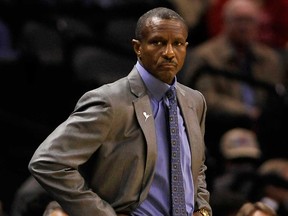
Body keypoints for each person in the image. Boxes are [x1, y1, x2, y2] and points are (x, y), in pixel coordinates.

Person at [28, 7, 212, 216]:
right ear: (138, 47)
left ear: (186, 47)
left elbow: (196, 167)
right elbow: (47, 163)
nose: (169, 52)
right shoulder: (110, 101)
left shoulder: (195, 101)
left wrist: (203, 208)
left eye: (177, 43)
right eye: (157, 42)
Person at [180, 0, 285, 161]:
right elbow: (203, 98)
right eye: (238, 20)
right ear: (224, 23)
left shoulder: (270, 59)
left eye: (249, 21)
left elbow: (278, 95)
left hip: (265, 129)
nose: (244, 26)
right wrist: (247, 112)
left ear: (258, 25)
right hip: (222, 127)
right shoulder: (205, 56)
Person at [210, 128, 262, 216]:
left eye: (249, 161)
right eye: (238, 161)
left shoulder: (261, 188)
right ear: (224, 161)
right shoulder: (214, 188)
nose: (245, 167)